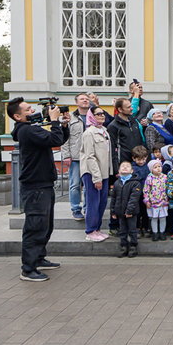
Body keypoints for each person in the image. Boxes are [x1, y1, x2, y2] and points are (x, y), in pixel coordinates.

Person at [8, 98, 69, 282]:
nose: (32, 110)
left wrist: (63, 125)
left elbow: (57, 139)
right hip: (35, 187)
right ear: (18, 116)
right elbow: (55, 139)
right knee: (35, 227)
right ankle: (28, 269)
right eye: (28, 109)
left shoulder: (31, 129)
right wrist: (55, 121)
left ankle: (39, 258)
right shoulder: (27, 130)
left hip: (43, 184)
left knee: (45, 225)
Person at [79, 108, 112, 243]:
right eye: (98, 114)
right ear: (91, 116)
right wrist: (96, 177)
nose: (101, 116)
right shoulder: (89, 133)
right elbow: (90, 156)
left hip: (104, 172)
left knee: (102, 202)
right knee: (93, 202)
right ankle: (90, 230)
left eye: (102, 113)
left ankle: (97, 229)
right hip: (93, 173)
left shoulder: (104, 131)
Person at [61, 93, 90, 220]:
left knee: (89, 185)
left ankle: (87, 208)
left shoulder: (94, 115)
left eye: (87, 99)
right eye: (82, 99)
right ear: (76, 102)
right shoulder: (70, 117)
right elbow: (65, 137)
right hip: (75, 156)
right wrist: (66, 155)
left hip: (90, 156)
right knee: (75, 184)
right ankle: (75, 209)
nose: (85, 100)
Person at [109, 161, 142, 258]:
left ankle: (133, 246)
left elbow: (134, 199)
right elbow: (113, 198)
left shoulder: (135, 183)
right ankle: (123, 246)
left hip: (131, 213)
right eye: (122, 166)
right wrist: (113, 211)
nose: (124, 167)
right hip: (120, 211)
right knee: (122, 230)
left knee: (132, 229)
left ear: (132, 171)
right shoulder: (117, 183)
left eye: (127, 166)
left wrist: (129, 211)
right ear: (118, 171)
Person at [107, 97, 145, 174]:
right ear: (120, 109)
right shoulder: (113, 126)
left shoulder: (134, 121)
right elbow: (113, 149)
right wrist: (116, 169)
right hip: (124, 165)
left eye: (131, 106)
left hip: (138, 162)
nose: (131, 108)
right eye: (128, 107)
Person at [142, 159, 169, 241]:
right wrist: (147, 200)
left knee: (162, 217)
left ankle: (162, 232)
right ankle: (155, 232)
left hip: (163, 201)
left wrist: (168, 197)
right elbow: (146, 190)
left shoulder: (165, 177)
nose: (158, 169)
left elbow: (168, 188)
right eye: (155, 167)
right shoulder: (149, 178)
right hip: (153, 202)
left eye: (159, 166)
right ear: (151, 169)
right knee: (154, 218)